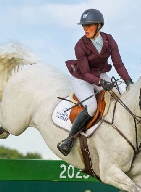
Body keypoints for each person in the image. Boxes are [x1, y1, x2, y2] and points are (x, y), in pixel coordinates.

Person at [57, 8, 133, 156]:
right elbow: (85, 73)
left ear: (99, 25)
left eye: (88, 25)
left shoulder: (109, 40)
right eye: (84, 26)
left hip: (100, 75)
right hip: (82, 79)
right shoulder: (80, 45)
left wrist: (128, 82)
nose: (85, 29)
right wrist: (100, 82)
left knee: (123, 95)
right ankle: (69, 139)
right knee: (91, 106)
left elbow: (118, 64)